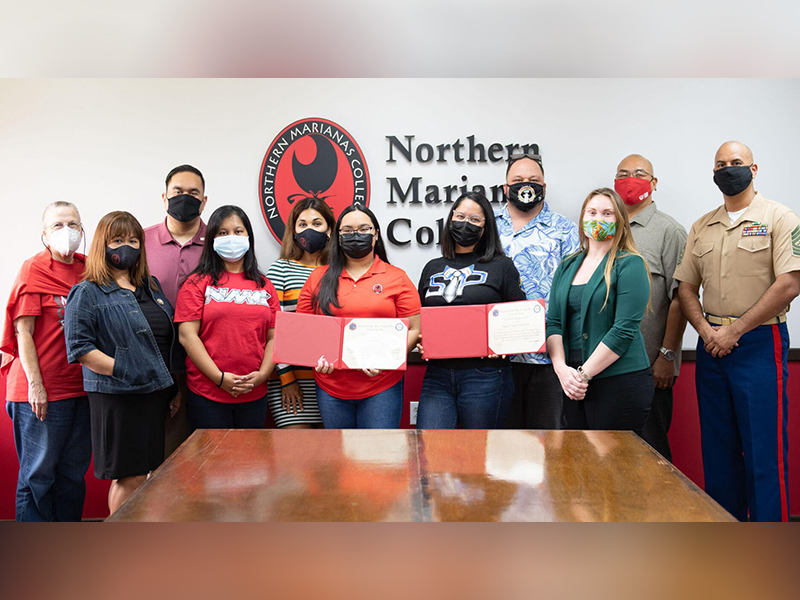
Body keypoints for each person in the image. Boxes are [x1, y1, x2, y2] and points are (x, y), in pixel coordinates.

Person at [675, 141, 800, 522]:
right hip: (711, 346)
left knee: (763, 452)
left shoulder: (781, 218)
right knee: (718, 451)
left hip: (760, 343)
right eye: (721, 164)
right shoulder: (702, 226)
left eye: (736, 163)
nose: (729, 169)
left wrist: (735, 331)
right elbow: (684, 287)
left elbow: (790, 282)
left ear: (754, 169)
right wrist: (706, 330)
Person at [64, 211, 180, 515]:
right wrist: (121, 368)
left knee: (149, 474)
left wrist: (172, 387)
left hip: (154, 395)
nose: (126, 247)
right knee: (128, 476)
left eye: (133, 240)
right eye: (117, 240)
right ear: (103, 245)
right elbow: (80, 347)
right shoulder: (87, 291)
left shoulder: (150, 287)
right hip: (117, 397)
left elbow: (165, 338)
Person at [1, 202, 91, 521]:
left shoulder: (90, 269)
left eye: (74, 224)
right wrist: (37, 387)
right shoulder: (34, 270)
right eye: (57, 226)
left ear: (83, 230)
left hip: (81, 390)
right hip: (41, 393)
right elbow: (22, 332)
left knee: (72, 476)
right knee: (37, 477)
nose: (67, 231)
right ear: (43, 234)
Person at [296, 204, 421, 428]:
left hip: (382, 387)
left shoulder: (397, 277)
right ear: (338, 237)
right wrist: (315, 356)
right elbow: (302, 330)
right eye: (348, 231)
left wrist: (388, 357)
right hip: (331, 388)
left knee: (377, 460)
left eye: (364, 229)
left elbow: (414, 328)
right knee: (340, 459)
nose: (356, 236)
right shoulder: (318, 278)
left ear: (376, 234)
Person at [546, 188, 653, 435]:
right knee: (580, 466)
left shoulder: (630, 264)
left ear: (620, 222)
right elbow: (553, 322)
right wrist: (562, 369)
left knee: (614, 468)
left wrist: (583, 375)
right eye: (592, 212)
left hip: (619, 381)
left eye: (607, 214)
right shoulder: (567, 265)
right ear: (583, 218)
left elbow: (623, 330)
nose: (598, 219)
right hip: (571, 381)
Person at [416, 192, 526, 429]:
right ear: (450, 219)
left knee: (479, 455)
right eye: (461, 216)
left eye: (475, 220)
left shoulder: (501, 266)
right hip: (437, 375)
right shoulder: (432, 267)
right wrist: (418, 338)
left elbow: (521, 320)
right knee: (431, 451)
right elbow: (419, 319)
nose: (466, 223)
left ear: (486, 228)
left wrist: (505, 343)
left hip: (485, 375)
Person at [495, 151, 580, 429]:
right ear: (506, 188)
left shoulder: (565, 231)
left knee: (546, 447)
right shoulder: (488, 228)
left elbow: (575, 291)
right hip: (498, 357)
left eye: (533, 180)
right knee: (500, 449)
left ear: (544, 187)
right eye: (518, 180)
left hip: (549, 358)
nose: (526, 185)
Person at [175, 205, 279, 430]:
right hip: (208, 393)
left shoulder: (265, 285)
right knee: (211, 464)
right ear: (211, 238)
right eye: (223, 233)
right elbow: (187, 335)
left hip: (255, 393)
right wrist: (219, 378)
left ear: (248, 236)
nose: (231, 237)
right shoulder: (196, 283)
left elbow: (275, 337)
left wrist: (262, 375)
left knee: (250, 463)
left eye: (238, 231)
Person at [614, 154, 688, 461]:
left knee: (650, 453)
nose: (631, 179)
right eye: (623, 174)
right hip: (604, 367)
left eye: (640, 174)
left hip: (648, 367)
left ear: (653, 183)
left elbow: (681, 298)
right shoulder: (605, 227)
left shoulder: (670, 232)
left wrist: (667, 356)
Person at [144, 164, 208, 455]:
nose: (186, 198)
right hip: (154, 363)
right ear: (164, 197)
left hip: (206, 363)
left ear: (204, 201)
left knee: (205, 455)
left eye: (193, 193)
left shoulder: (221, 244)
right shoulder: (140, 242)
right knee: (159, 456)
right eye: (178, 192)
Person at [266, 197, 335, 428]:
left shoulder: (340, 271)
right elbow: (275, 327)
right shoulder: (281, 268)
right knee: (295, 457)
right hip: (292, 381)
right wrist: (286, 379)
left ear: (329, 230)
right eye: (302, 224)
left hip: (334, 380)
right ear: (293, 231)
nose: (309, 229)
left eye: (317, 223)